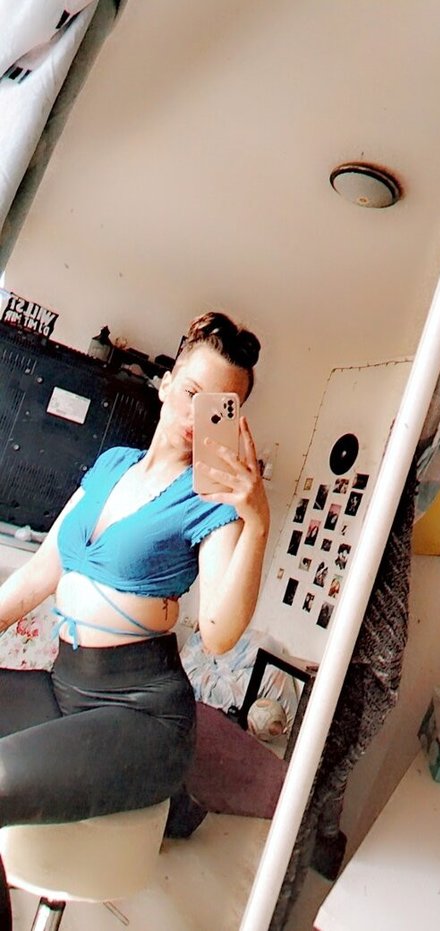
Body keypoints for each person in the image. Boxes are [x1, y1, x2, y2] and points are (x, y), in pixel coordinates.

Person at [0, 311, 270, 930]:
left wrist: (256, 521)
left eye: (220, 408)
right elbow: (36, 576)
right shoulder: (112, 465)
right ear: (167, 382)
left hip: (141, 713)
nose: (197, 415)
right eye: (192, 392)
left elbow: (219, 634)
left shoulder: (211, 500)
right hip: (64, 686)